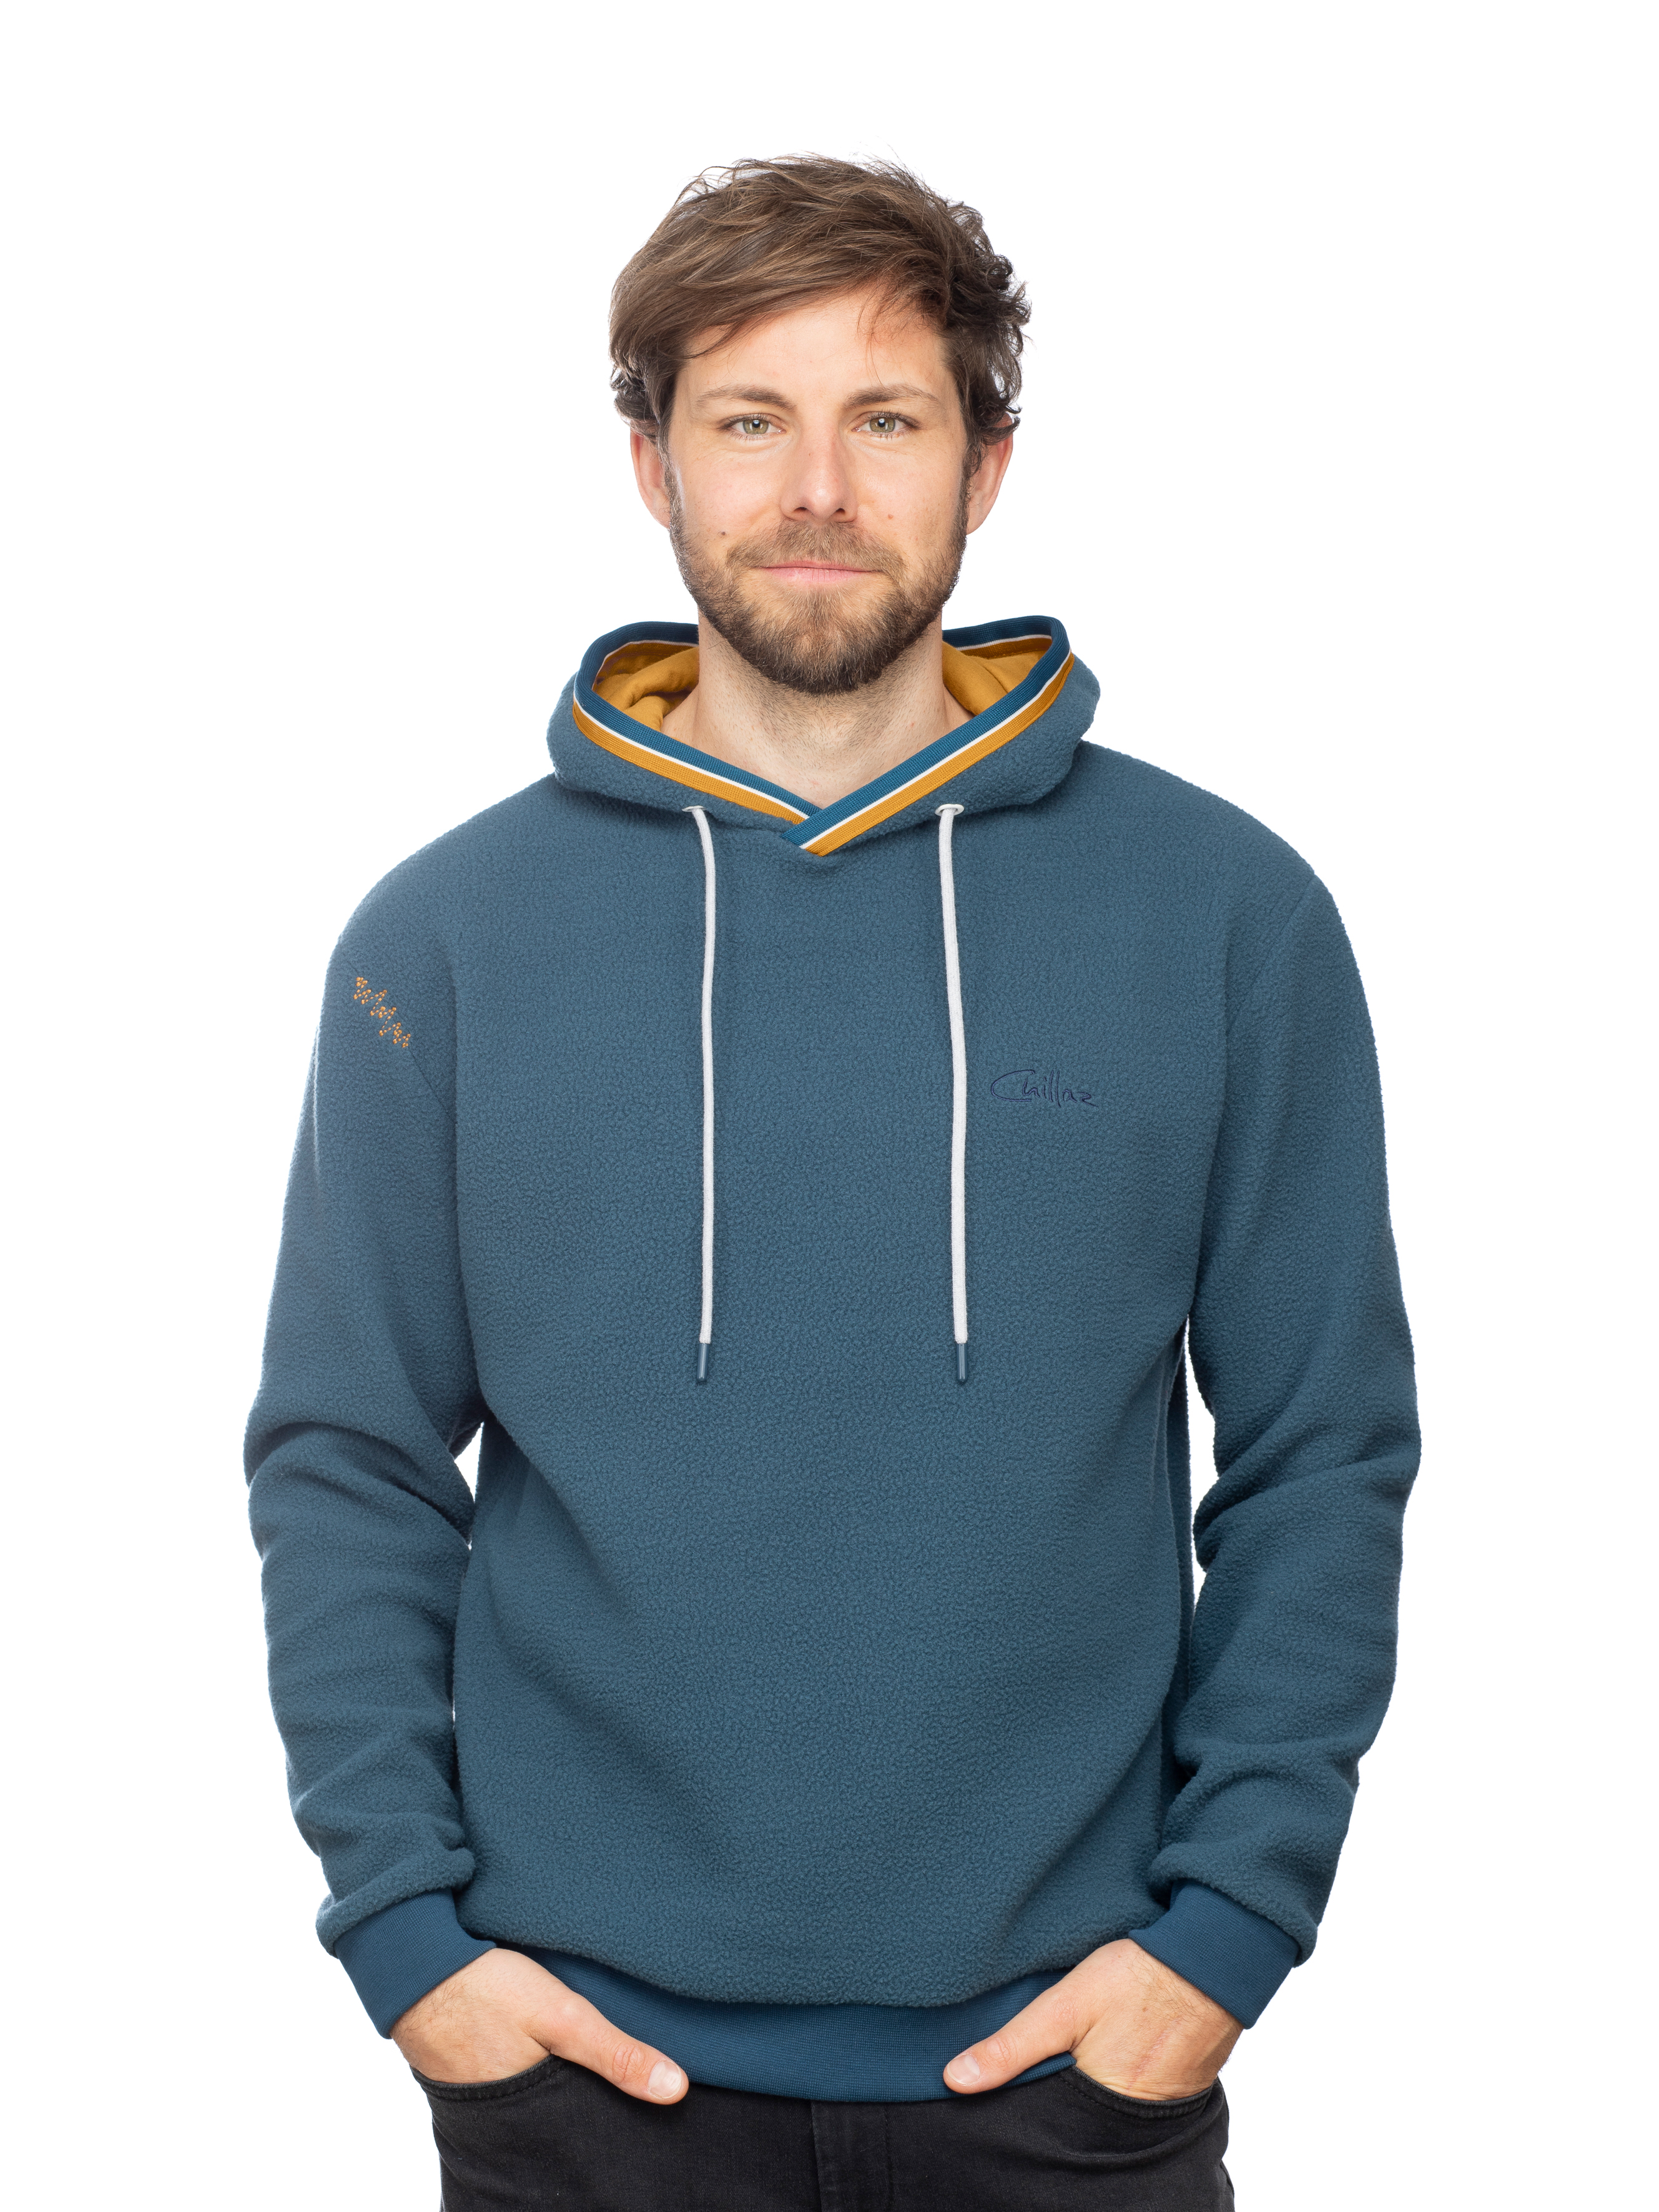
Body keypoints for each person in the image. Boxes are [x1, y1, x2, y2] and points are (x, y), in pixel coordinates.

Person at [246, 156, 1419, 2211]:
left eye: (883, 418)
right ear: (650, 464)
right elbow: (346, 1455)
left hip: (1069, 2071)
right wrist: (409, 1944)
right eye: (746, 420)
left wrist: (1224, 1934)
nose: (813, 489)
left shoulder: (1224, 914)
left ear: (986, 465)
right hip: (579, 2082)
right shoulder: (444, 939)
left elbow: (1321, 1449)